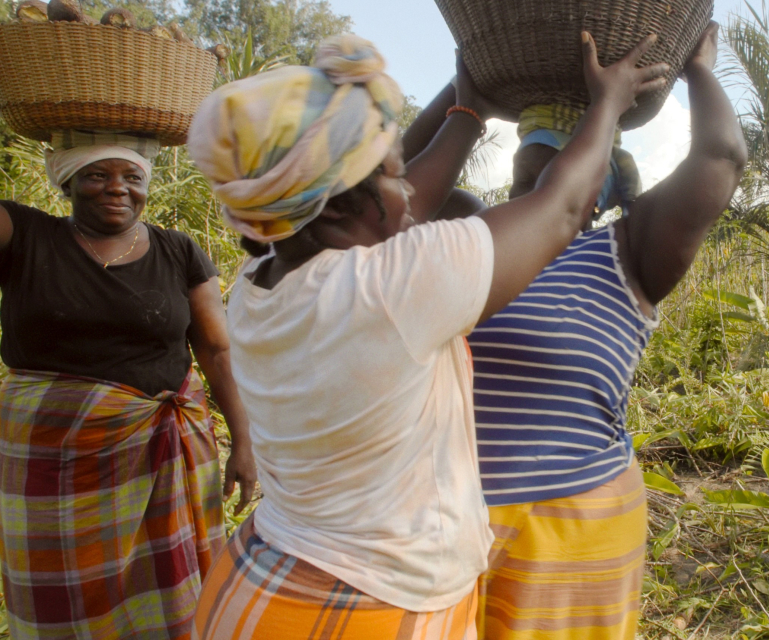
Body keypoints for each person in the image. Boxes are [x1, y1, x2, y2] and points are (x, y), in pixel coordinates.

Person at [184, 33, 669, 640]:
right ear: (337, 209)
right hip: (366, 610)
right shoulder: (390, 290)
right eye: (391, 175)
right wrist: (609, 102)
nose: (409, 188)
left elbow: (392, 195)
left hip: (262, 577)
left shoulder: (260, 281)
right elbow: (565, 206)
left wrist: (468, 107)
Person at [451, 23, 746, 640]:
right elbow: (390, 188)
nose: (530, 195)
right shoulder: (475, 238)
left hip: (573, 527)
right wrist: (466, 102)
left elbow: (719, 157)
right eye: (522, 177)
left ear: (598, 186)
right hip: (443, 522)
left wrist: (696, 68)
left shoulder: (630, 253)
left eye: (553, 176)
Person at [0, 130, 256, 639]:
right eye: (97, 175)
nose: (117, 188)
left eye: (132, 177)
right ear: (67, 183)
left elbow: (217, 351)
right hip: (51, 461)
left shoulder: (179, 250)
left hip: (164, 453)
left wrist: (245, 442)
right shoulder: (26, 234)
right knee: (64, 597)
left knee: (172, 597)